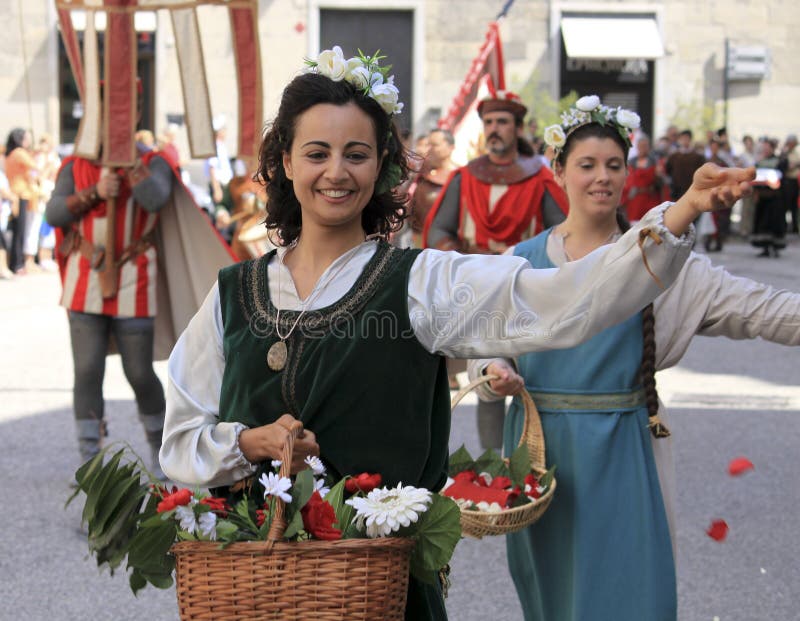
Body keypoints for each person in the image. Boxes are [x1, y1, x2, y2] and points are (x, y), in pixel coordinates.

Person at [158, 48, 752, 621]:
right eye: (317, 153)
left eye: (356, 154)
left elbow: (565, 300)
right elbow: (181, 440)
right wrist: (248, 442)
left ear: (381, 168)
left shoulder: (422, 283)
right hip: (249, 587)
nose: (336, 172)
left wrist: (678, 213)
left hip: (377, 592)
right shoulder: (233, 293)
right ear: (286, 162)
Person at [466, 95, 789, 621]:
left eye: (614, 165)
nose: (601, 177)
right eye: (587, 165)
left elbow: (759, 309)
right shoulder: (521, 264)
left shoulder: (658, 259)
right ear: (558, 171)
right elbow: (484, 357)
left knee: (633, 595)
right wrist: (494, 373)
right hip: (540, 457)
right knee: (556, 600)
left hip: (621, 450)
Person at [422, 89, 569, 448]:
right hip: (479, 289)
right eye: (489, 122)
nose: (494, 129)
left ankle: (529, 455)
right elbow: (439, 228)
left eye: (502, 121)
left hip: (528, 287)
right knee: (488, 372)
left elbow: (562, 232)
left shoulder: (539, 178)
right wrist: (459, 259)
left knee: (528, 373)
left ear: (517, 128)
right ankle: (492, 461)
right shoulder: (465, 178)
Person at [407, 128, 458, 247]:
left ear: (450, 147)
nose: (429, 149)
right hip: (420, 240)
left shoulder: (460, 177)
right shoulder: (421, 174)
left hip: (450, 245)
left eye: (434, 145)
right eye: (428, 144)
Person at [5, 128, 43, 274]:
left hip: (15, 193)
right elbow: (35, 166)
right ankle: (18, 264)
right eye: (26, 138)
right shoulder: (20, 153)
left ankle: (17, 262)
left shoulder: (12, 154)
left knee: (17, 231)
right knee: (20, 231)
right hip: (21, 194)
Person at [750, 138, 786, 257]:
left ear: (772, 148)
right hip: (762, 198)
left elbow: (781, 177)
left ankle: (775, 248)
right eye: (763, 148)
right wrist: (755, 193)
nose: (765, 150)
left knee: (774, 222)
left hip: (775, 197)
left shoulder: (779, 161)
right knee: (762, 223)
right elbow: (754, 178)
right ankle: (765, 248)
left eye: (767, 148)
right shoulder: (759, 162)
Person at [621, 133, 667, 222]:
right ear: (637, 147)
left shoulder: (655, 161)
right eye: (640, 146)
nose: (642, 148)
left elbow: (663, 184)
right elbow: (626, 182)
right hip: (634, 201)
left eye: (645, 146)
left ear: (648, 147)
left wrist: (659, 175)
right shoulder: (631, 162)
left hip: (651, 199)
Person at [666, 129, 706, 201]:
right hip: (677, 191)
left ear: (690, 139)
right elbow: (668, 170)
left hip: (692, 188)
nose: (684, 141)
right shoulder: (674, 156)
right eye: (683, 139)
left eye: (686, 138)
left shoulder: (697, 157)